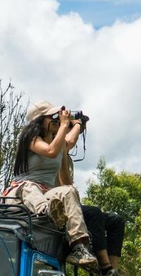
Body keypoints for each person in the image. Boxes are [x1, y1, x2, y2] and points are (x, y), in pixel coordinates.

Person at [7, 102, 96, 267]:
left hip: (46, 194)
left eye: (58, 116)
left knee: (68, 190)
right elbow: (50, 151)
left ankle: (78, 246)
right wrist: (64, 124)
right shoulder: (30, 138)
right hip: (20, 195)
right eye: (52, 116)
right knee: (29, 186)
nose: (57, 119)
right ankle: (48, 210)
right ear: (40, 120)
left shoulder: (59, 141)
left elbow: (68, 143)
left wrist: (77, 124)